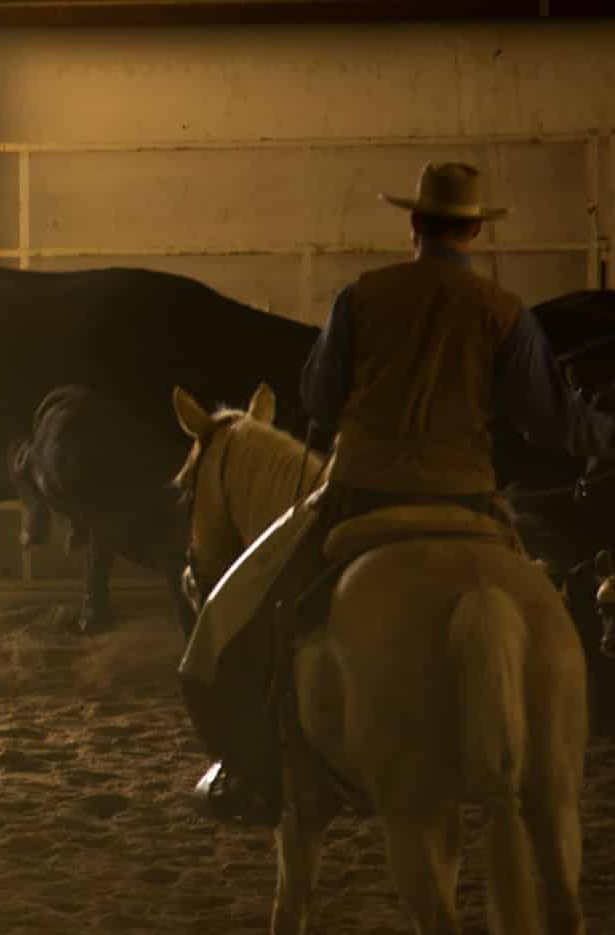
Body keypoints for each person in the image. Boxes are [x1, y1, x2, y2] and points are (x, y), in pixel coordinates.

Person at [179, 160, 615, 826]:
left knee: (226, 628)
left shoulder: (361, 298)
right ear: (474, 230)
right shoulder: (504, 313)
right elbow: (554, 422)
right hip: (469, 499)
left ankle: (252, 774)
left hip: (359, 494)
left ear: (414, 223)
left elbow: (317, 396)